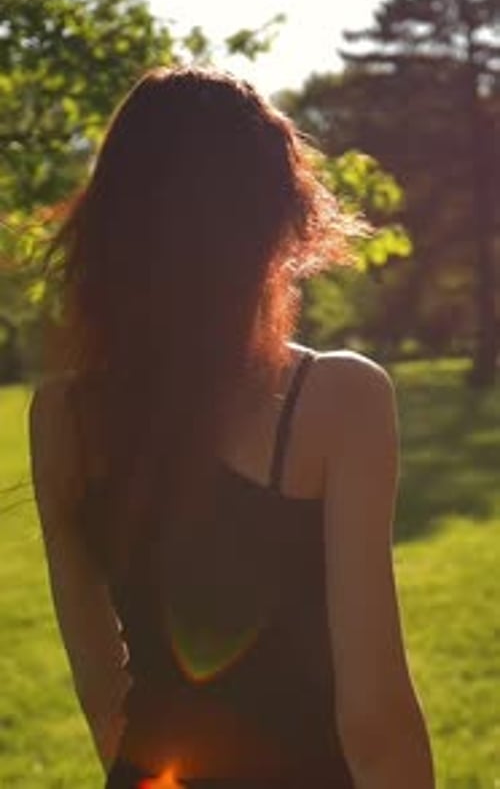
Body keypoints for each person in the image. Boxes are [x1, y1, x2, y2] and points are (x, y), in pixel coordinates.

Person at [29, 66, 434, 789]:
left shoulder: (61, 417)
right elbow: (374, 720)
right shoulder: (339, 399)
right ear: (279, 225)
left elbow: (101, 689)